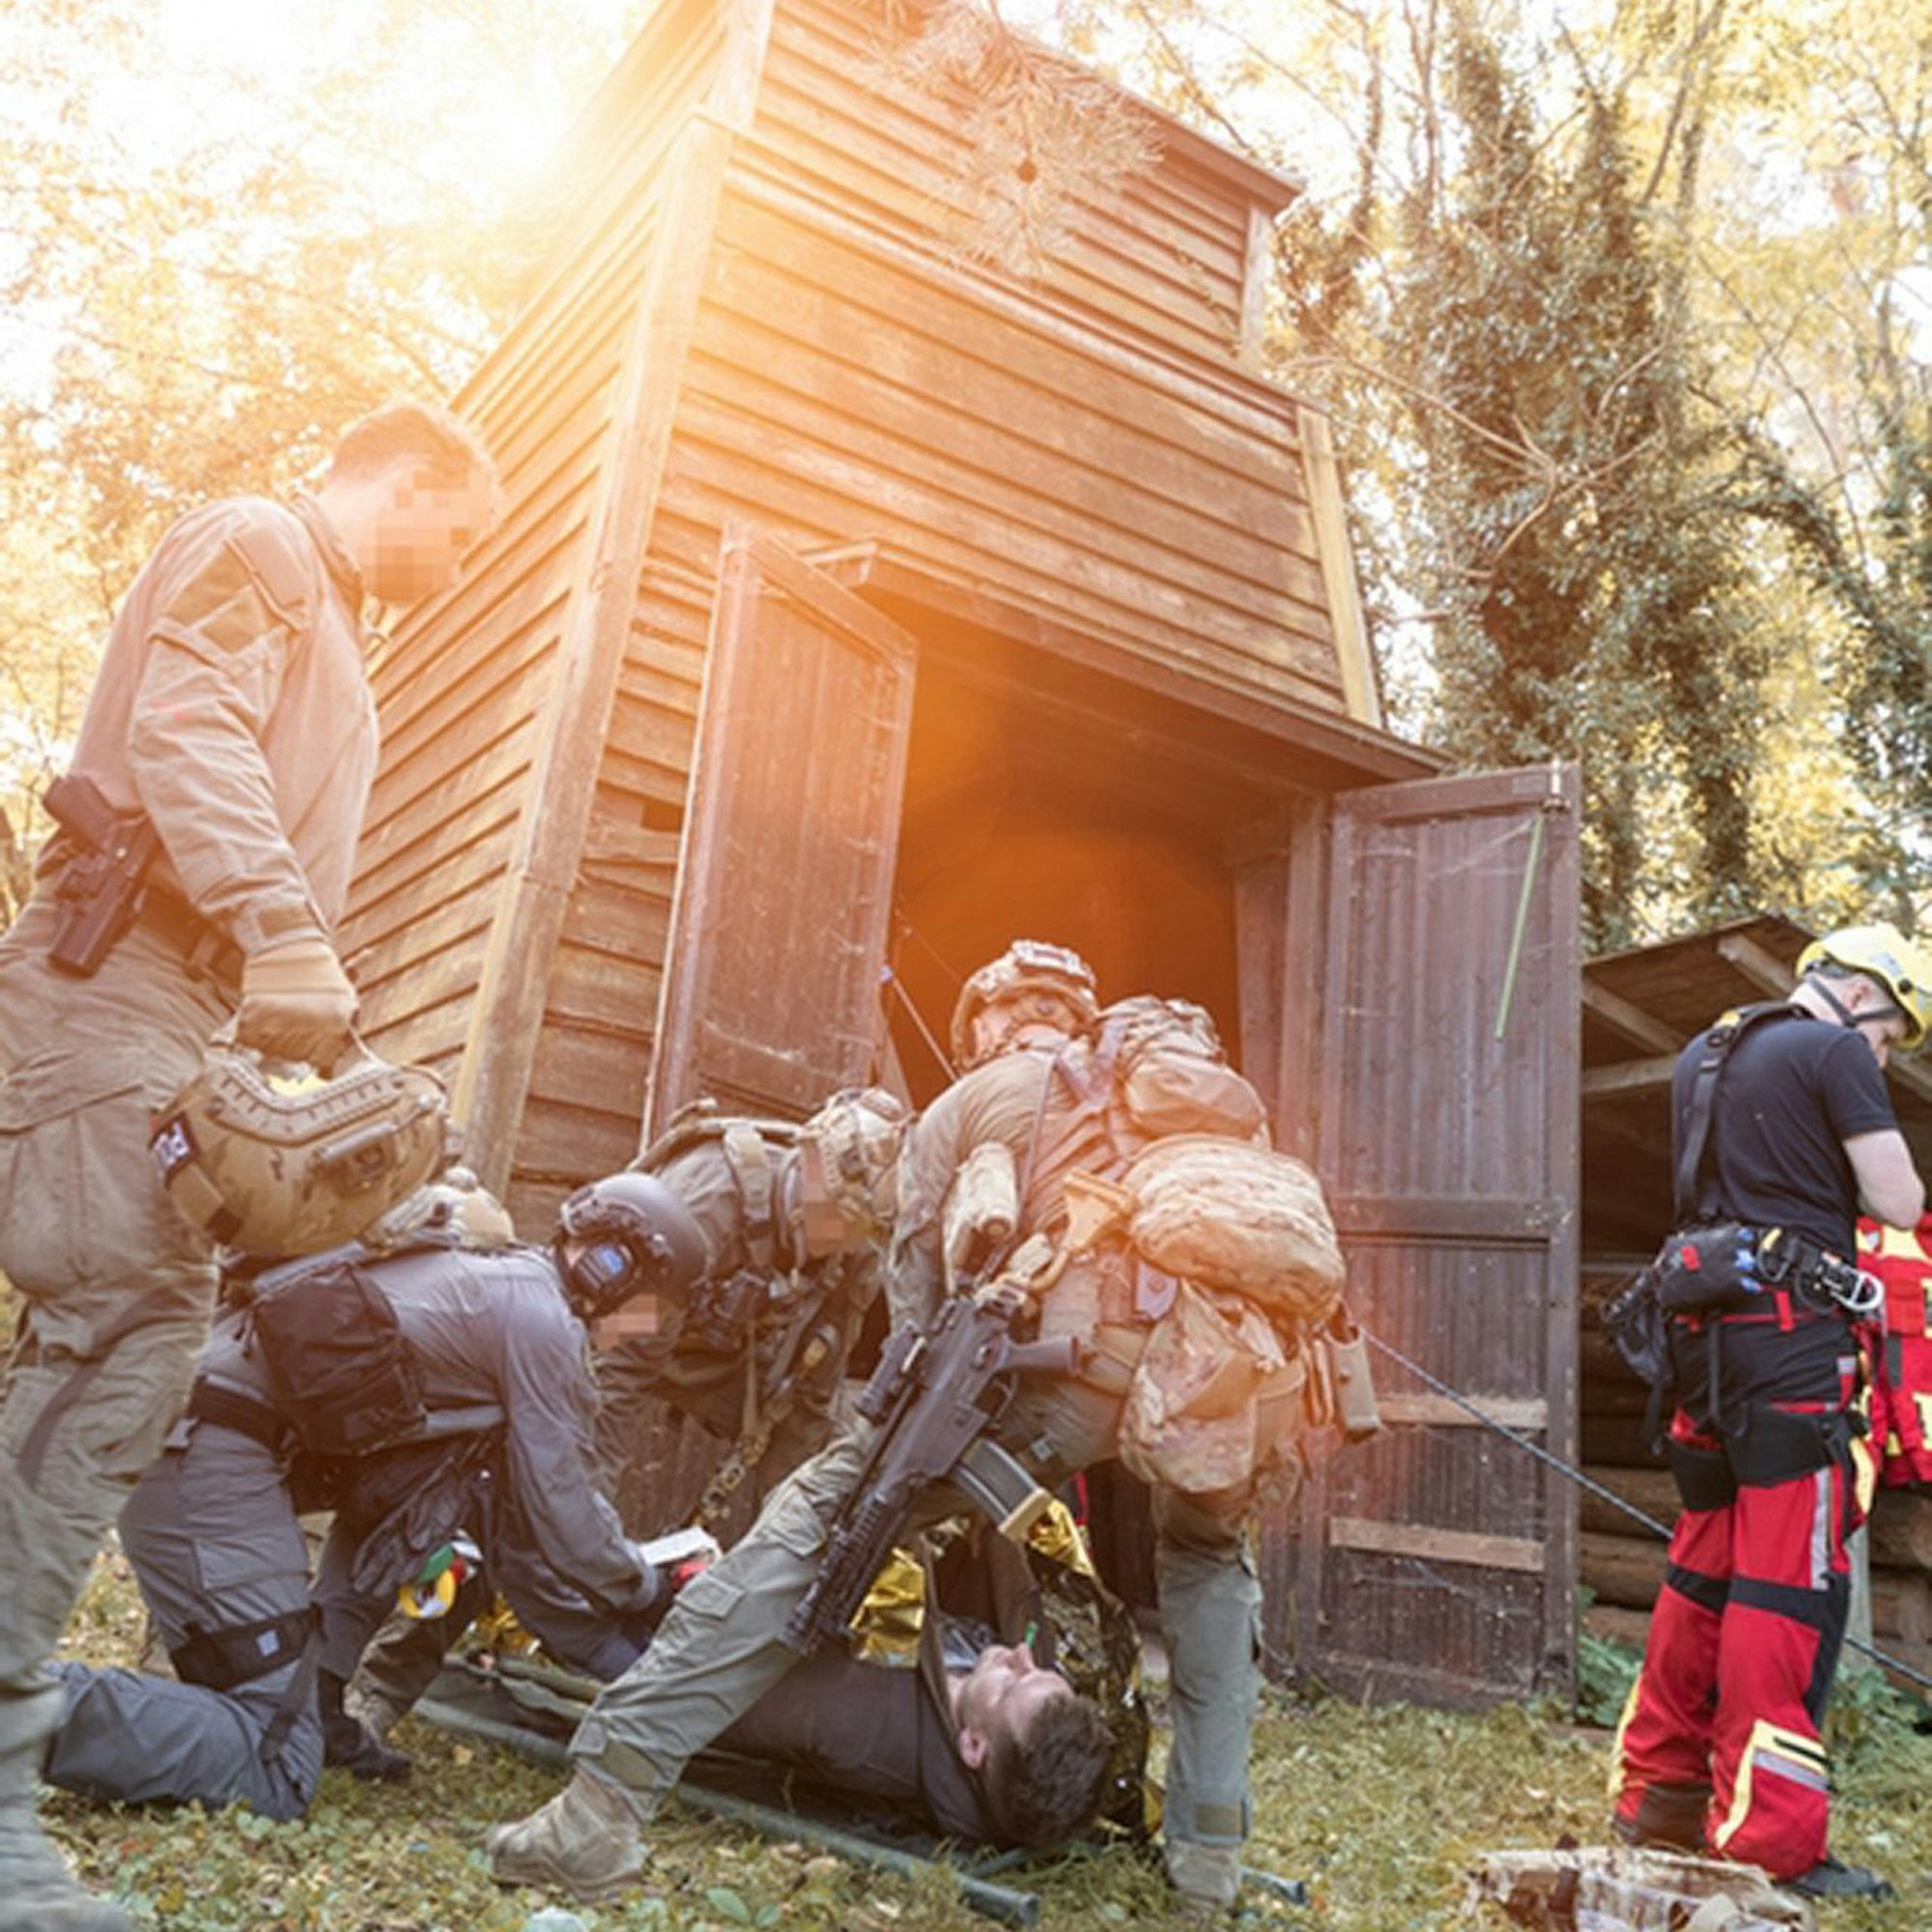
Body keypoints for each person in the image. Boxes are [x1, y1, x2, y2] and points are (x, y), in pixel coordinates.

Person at [487, 945, 1297, 1910]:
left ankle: (598, 1810)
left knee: (810, 1523)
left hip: (1071, 1376)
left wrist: (879, 1468)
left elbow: (918, 1320)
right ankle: (1207, 1861)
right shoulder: (1220, 1131)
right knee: (1208, 1568)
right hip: (1235, 1386)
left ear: (985, 1026)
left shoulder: (978, 1100)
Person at [0, 398, 497, 1931]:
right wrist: (280, 920)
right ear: (406, 480)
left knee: (115, 1323)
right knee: (128, 1321)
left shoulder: (334, 618)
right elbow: (187, 724)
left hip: (177, 1004)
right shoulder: (268, 545)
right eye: (460, 532)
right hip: (122, 980)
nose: (463, 569)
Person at [39, 1170, 707, 1827]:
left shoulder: (484, 1280)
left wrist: (324, 1690)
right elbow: (560, 1509)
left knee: (289, 1714)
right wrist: (642, 1587)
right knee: (274, 1764)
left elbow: (387, 1521)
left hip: (194, 1439)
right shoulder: (542, 1323)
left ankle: (313, 1698)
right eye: (653, 1310)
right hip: (204, 1449)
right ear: (614, 1270)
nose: (646, 1331)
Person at [1610, 923, 1931, 1898]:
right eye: (1890, 1032)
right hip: (1792, 1347)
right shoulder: (1829, 1049)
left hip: (1701, 1346)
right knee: (1784, 1585)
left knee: (1700, 1568)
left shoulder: (1699, 1055)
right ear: (1861, 994)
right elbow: (1897, 1200)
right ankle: (1766, 1838)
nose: (1882, 1054)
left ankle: (1655, 1794)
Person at [595, 1085, 910, 1507]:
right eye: (834, 1212)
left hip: (718, 1359)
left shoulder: (857, 1252)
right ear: (810, 1164)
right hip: (617, 1338)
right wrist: (585, 1526)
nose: (840, 1240)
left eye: (858, 1230)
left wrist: (786, 1538)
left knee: (845, 1460)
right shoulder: (711, 1200)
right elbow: (614, 1367)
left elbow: (809, 1409)